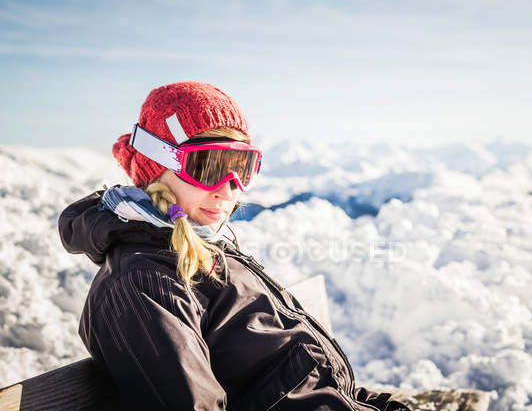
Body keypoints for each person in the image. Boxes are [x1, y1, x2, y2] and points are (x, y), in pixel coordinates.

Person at [58, 81, 411, 411]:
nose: (228, 189)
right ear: (158, 166)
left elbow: (314, 387)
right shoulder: (143, 282)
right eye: (208, 166)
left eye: (240, 167)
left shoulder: (204, 248)